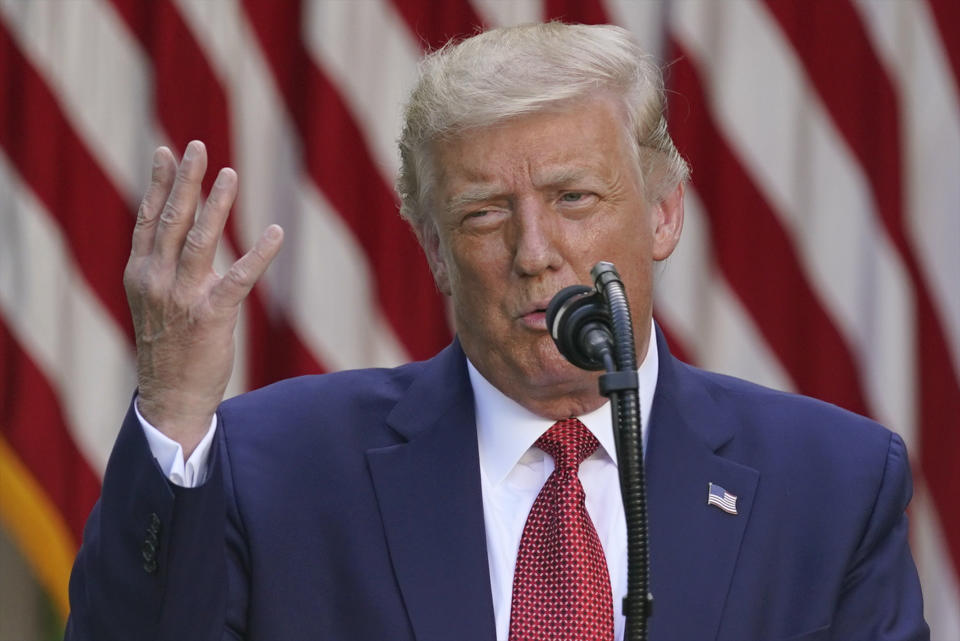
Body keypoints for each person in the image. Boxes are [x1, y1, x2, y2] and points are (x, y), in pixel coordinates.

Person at [65, 22, 928, 641]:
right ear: (435, 251)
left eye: (573, 197)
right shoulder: (274, 466)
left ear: (664, 215)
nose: (534, 251)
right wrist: (176, 399)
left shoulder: (832, 484)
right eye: (483, 214)